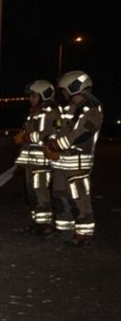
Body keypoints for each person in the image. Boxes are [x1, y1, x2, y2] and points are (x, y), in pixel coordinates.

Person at [45, 71, 103, 247]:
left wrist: (57, 145)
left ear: (74, 88)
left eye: (64, 90)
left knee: (79, 199)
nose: (63, 93)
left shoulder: (93, 110)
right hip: (61, 162)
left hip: (78, 163)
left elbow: (80, 134)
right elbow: (59, 126)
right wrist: (50, 140)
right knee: (59, 196)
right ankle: (64, 230)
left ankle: (84, 234)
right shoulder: (70, 108)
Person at [13, 80, 60, 234]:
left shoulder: (50, 111)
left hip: (42, 161)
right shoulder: (35, 112)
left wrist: (26, 137)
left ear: (42, 95)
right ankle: (37, 223)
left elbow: (47, 133)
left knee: (40, 193)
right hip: (32, 161)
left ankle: (45, 226)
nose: (30, 98)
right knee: (32, 194)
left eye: (33, 95)